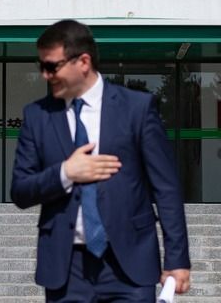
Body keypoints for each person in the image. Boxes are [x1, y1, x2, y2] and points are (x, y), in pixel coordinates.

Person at [11, 19, 191, 302]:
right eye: (41, 66)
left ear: (83, 62)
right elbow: (20, 190)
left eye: (52, 66)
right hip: (66, 269)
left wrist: (177, 259)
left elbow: (166, 188)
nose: (45, 75)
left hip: (130, 265)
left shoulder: (137, 108)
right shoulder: (37, 116)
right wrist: (65, 173)